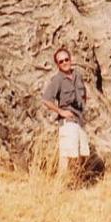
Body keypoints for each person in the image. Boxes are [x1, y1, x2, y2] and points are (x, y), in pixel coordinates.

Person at [41, 46, 90, 176]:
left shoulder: (78, 76)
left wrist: (83, 105)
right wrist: (61, 112)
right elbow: (46, 99)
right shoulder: (57, 80)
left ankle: (75, 183)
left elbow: (84, 94)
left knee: (80, 154)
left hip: (80, 120)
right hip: (68, 122)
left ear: (70, 59)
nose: (64, 63)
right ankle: (61, 186)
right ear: (57, 64)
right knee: (67, 156)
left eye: (66, 59)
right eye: (60, 61)